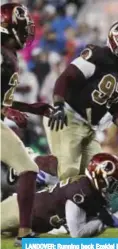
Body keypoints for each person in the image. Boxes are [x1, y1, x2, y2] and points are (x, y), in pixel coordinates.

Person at [44, 20, 118, 181]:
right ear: (114, 41)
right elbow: (66, 77)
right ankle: (37, 169)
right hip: (68, 115)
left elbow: (117, 112)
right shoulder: (98, 55)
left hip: (89, 127)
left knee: (97, 174)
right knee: (69, 172)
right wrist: (59, 105)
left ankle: (45, 179)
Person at [1, 3, 54, 245]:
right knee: (28, 169)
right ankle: (23, 231)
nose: (26, 34)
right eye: (23, 28)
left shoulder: (8, 53)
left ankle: (24, 232)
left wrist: (31, 108)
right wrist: (10, 111)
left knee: (28, 169)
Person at [1, 153, 118, 237]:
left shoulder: (88, 187)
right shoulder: (82, 191)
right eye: (111, 180)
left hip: (32, 220)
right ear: (98, 175)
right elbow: (77, 234)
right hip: (19, 212)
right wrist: (109, 220)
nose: (113, 185)